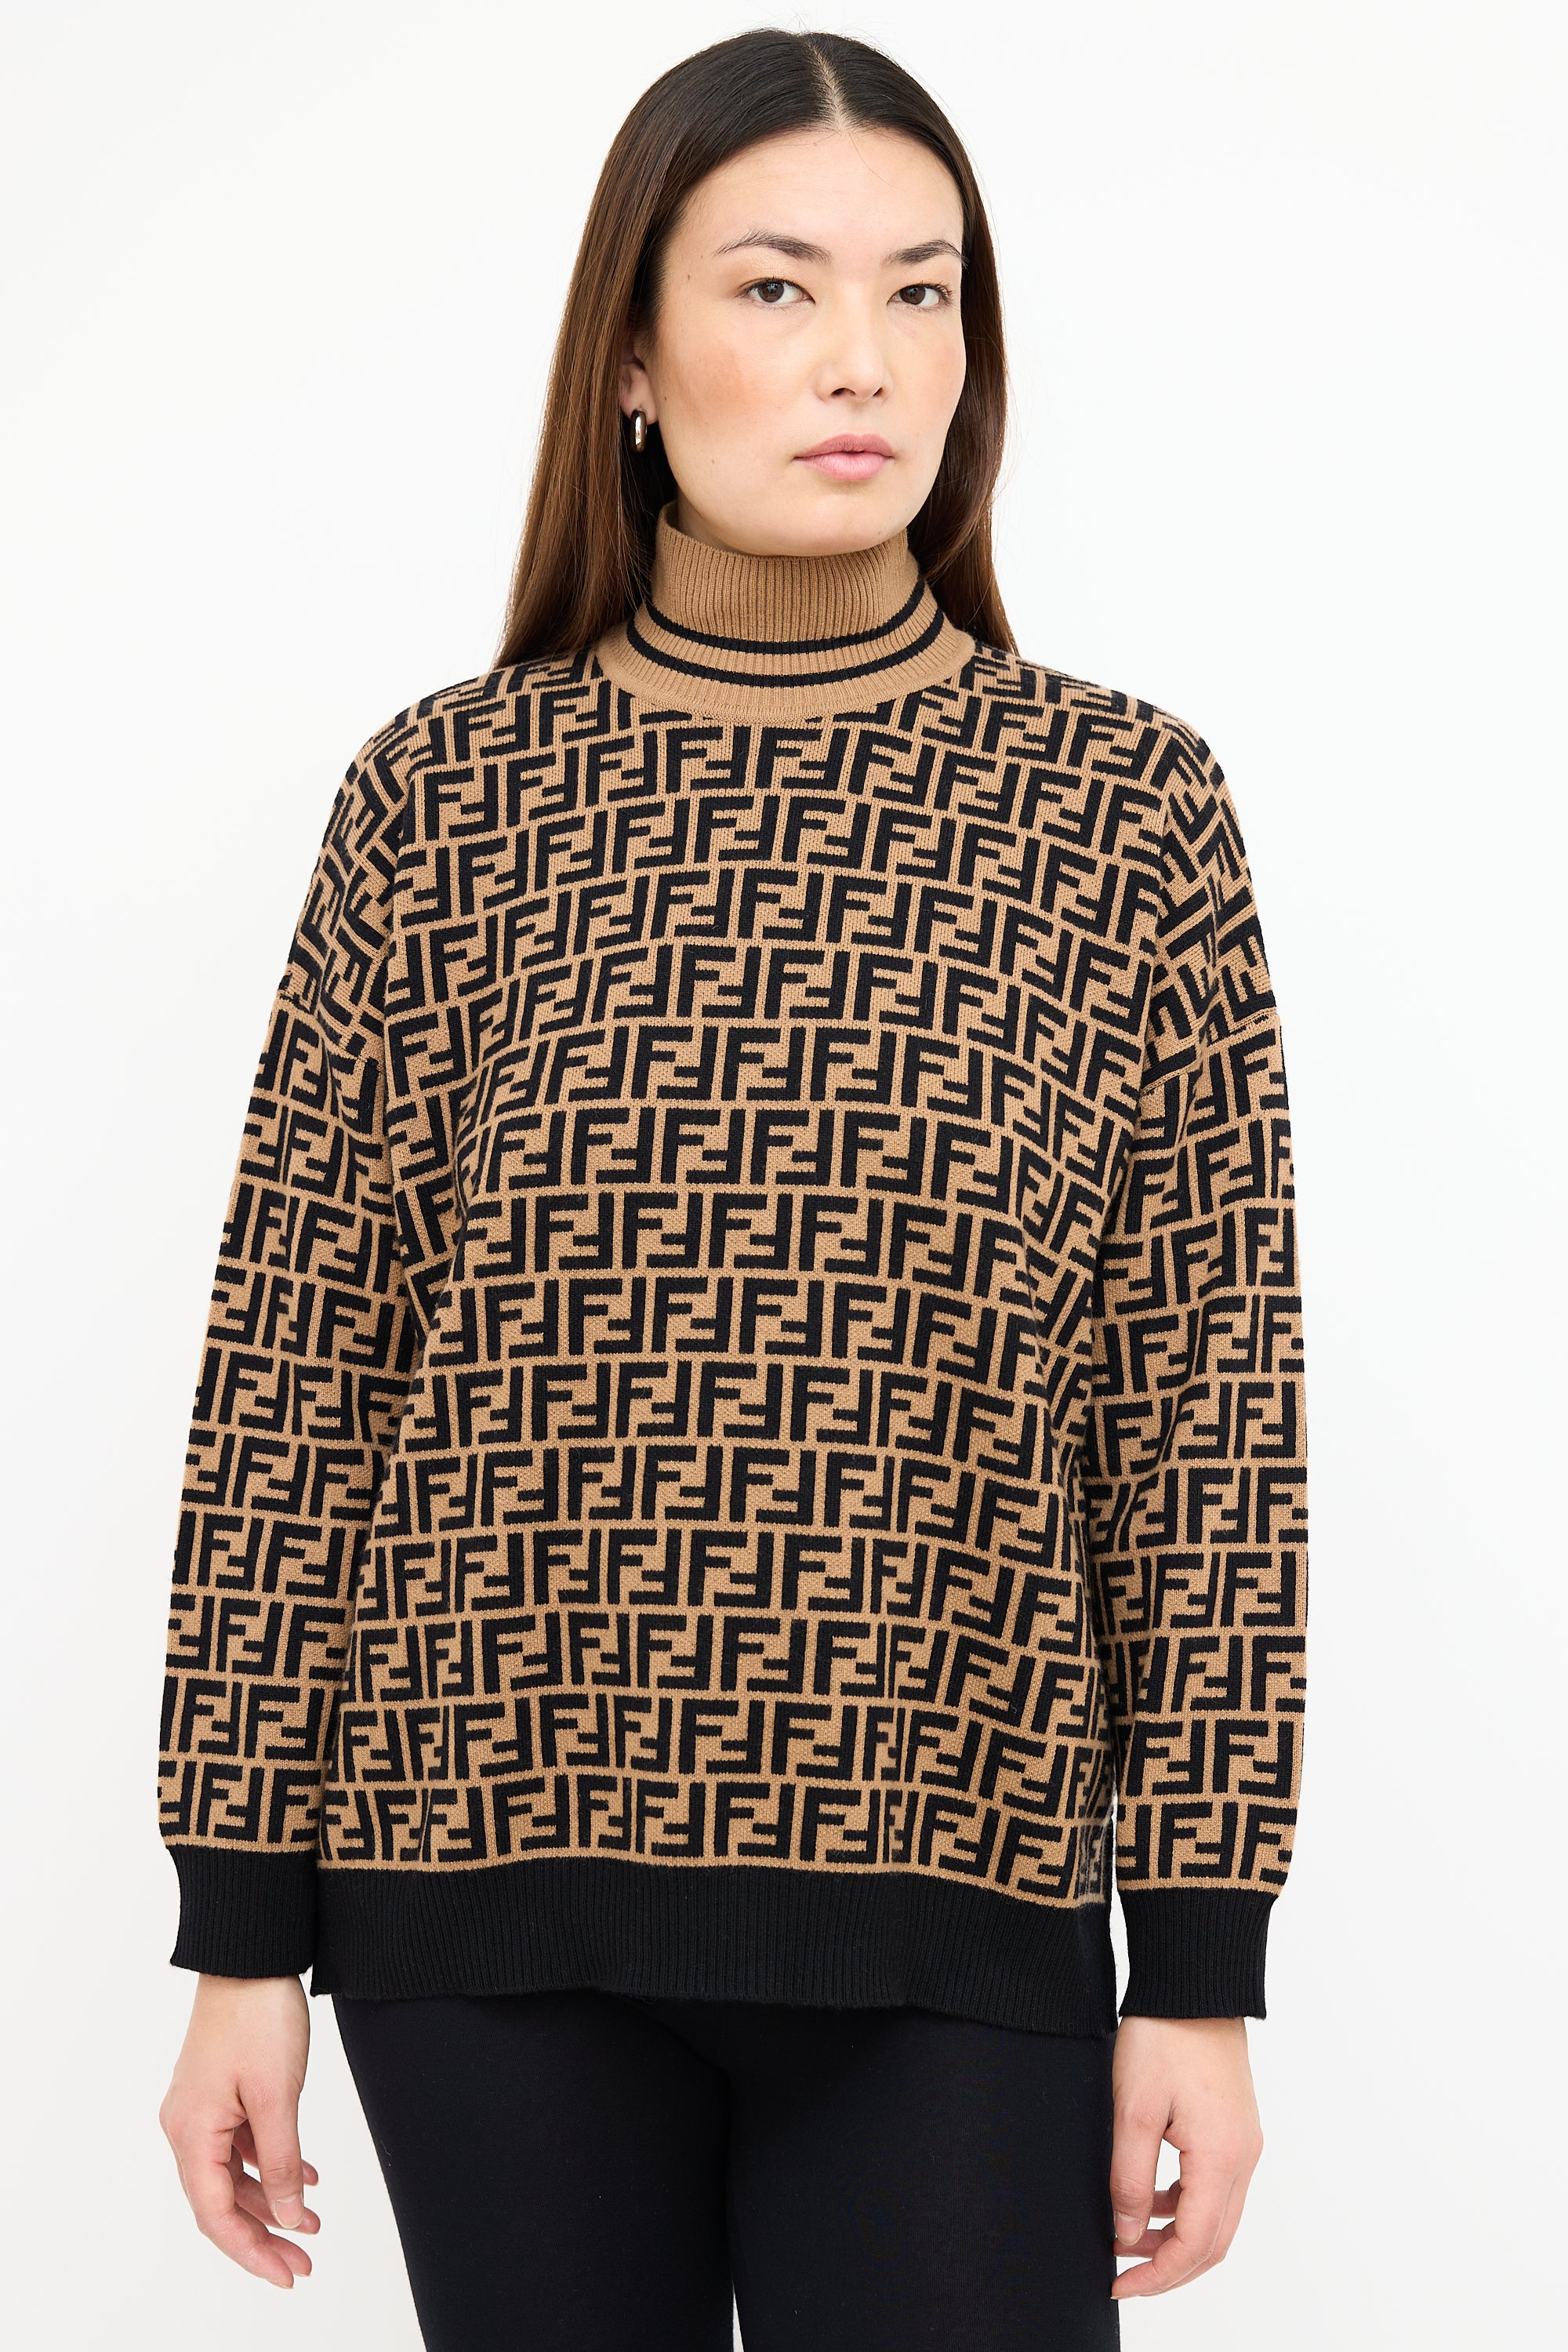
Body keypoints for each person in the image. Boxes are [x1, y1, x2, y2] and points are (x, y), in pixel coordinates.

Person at [155, 27, 1308, 2350]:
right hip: (481, 1901)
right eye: (776, 286)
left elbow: (1204, 1417)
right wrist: (236, 1931)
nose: (862, 356)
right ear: (631, 357)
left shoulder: (1123, 812)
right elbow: (296, 1377)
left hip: (960, 1891)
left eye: (922, 290)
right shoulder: (444, 803)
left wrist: (1199, 1963)